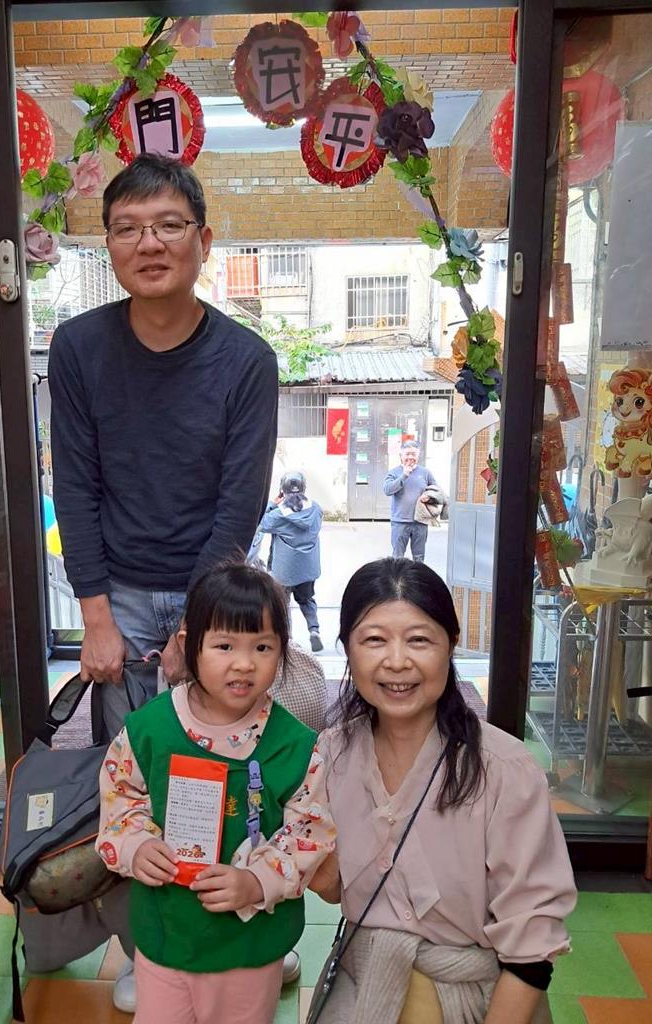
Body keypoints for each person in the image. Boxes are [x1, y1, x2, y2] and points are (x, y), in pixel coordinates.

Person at [48, 154, 279, 1008]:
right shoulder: (78, 348)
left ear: (203, 240)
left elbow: (240, 499)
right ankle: (149, 951)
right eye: (128, 228)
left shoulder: (246, 359)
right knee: (137, 779)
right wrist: (96, 618)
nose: (149, 243)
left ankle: (241, 936)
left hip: (215, 600)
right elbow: (75, 486)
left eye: (169, 225)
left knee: (230, 767)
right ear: (108, 244)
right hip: (116, 590)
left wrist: (195, 627)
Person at [309, 558, 576, 1024]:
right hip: (364, 980)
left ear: (451, 644)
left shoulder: (503, 769)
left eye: (419, 639)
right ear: (347, 647)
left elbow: (532, 949)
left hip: (480, 996)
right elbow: (332, 890)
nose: (397, 661)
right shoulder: (332, 754)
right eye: (374, 640)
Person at [96, 563, 335, 1024]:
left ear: (283, 651)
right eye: (224, 646)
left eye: (262, 647)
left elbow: (311, 831)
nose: (244, 663)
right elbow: (119, 798)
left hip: (251, 944)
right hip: (167, 932)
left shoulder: (295, 746)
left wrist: (258, 881)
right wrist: (135, 844)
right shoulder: (149, 730)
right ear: (190, 646)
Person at [250, 471, 324, 651]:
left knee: (282, 604)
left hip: (284, 571)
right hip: (308, 568)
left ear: (282, 490)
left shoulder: (278, 516)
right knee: (307, 599)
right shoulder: (316, 509)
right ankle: (314, 630)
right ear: (304, 488)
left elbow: (258, 523)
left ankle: (288, 639)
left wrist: (271, 504)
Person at [383, 441, 444, 563]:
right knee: (397, 558)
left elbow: (438, 492)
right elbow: (387, 490)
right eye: (407, 454)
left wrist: (430, 497)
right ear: (401, 455)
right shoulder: (394, 472)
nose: (410, 457)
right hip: (399, 522)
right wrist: (404, 476)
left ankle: (417, 576)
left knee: (419, 558)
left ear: (418, 455)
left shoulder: (425, 473)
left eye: (414, 454)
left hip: (420, 522)